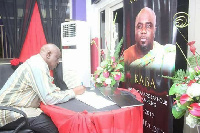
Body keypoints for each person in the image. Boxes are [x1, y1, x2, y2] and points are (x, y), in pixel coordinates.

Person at [0, 44, 86, 133]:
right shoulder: (37, 66)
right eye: (57, 58)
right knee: (55, 126)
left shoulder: (39, 63)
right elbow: (49, 98)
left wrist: (67, 92)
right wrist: (74, 92)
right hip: (9, 113)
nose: (58, 62)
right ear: (48, 55)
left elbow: (51, 90)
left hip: (16, 108)